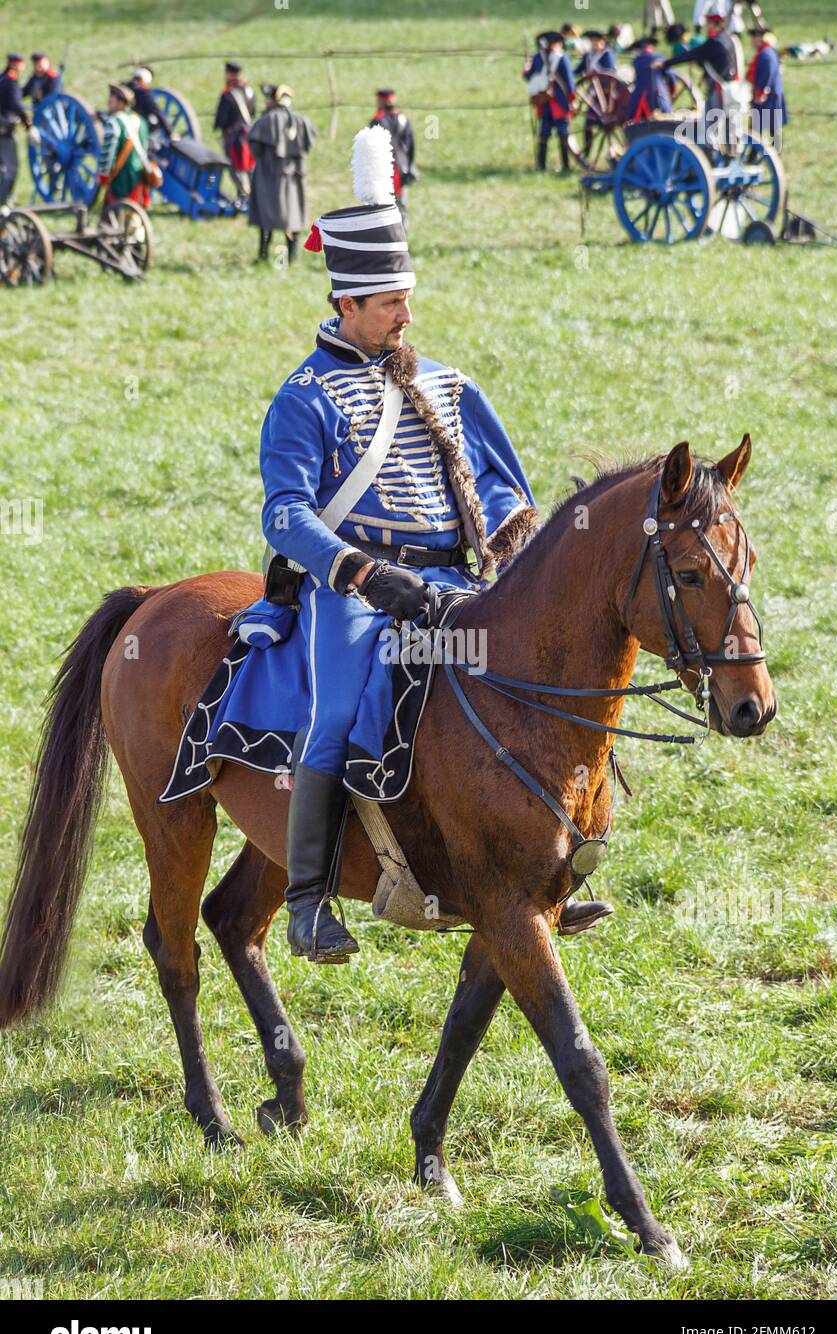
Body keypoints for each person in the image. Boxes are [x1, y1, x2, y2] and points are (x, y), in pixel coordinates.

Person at [261, 126, 541, 963]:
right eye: (390, 303)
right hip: (351, 589)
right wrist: (359, 571)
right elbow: (284, 516)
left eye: (406, 300)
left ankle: (541, 867)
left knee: (529, 678)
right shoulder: (304, 397)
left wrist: (509, 535)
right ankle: (308, 902)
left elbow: (500, 481)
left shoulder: (449, 383)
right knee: (339, 712)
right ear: (347, 304)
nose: (406, 315)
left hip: (454, 579)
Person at [248, 83, 316, 263]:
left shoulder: (265, 121)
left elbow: (255, 149)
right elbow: (309, 144)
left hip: (269, 178)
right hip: (294, 178)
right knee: (292, 218)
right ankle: (291, 258)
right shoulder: (301, 120)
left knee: (266, 219)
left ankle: (263, 256)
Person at [663, 11, 738, 119]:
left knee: (712, 118)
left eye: (708, 23)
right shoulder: (726, 38)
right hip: (728, 84)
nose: (706, 26)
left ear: (713, 24)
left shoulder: (715, 42)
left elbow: (693, 54)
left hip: (718, 86)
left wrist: (666, 63)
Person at [522, 30, 576, 173]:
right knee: (560, 134)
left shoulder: (538, 57)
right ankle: (564, 166)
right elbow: (570, 84)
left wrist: (526, 67)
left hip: (548, 103)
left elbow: (528, 76)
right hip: (556, 103)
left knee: (546, 134)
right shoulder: (562, 58)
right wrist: (571, 100)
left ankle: (542, 166)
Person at [97, 83, 151, 206]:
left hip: (120, 178)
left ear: (122, 103)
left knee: (114, 215)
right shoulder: (140, 121)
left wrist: (103, 174)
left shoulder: (114, 122)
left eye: (112, 99)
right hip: (138, 176)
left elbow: (108, 152)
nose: (108, 102)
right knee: (133, 217)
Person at [370, 87, 416, 225]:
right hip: (402, 169)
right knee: (401, 208)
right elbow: (411, 147)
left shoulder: (376, 121)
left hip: (383, 170)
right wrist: (408, 166)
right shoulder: (404, 119)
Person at [214, 61, 256, 197]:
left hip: (233, 137)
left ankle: (243, 194)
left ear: (229, 74)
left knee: (234, 169)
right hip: (248, 134)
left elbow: (221, 120)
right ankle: (252, 195)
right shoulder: (249, 90)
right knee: (249, 167)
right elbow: (253, 111)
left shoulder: (228, 94)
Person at [0, 54, 31, 207]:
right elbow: (15, 105)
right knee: (12, 168)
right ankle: (3, 201)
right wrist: (27, 122)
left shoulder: (2, 78)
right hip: (5, 131)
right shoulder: (11, 82)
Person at [747, 29, 786, 148]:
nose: (752, 41)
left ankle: (756, 154)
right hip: (770, 95)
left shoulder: (766, 55)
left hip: (767, 96)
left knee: (762, 127)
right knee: (770, 126)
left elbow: (766, 74)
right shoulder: (767, 52)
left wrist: (760, 92)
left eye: (754, 37)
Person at [626, 35, 673, 122]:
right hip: (660, 99)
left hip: (639, 100)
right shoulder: (660, 58)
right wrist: (671, 93)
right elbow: (671, 78)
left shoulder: (637, 62)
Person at [129, 66, 172, 143]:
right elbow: (158, 113)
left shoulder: (125, 88)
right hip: (140, 130)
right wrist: (169, 132)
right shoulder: (145, 94)